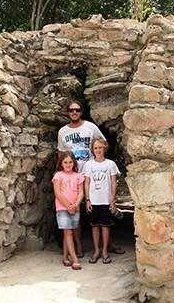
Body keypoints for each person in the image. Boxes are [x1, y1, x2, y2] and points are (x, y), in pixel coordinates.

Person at [57, 99, 125, 256]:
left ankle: (108, 244)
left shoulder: (90, 127)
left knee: (102, 210)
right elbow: (61, 154)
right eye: (71, 110)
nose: (75, 112)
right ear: (67, 112)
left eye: (78, 110)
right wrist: (59, 173)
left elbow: (103, 143)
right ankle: (78, 246)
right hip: (73, 176)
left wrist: (100, 162)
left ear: (82, 111)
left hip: (92, 176)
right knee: (75, 211)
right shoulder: (63, 132)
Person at [84, 136, 120, 264]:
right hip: (94, 200)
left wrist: (113, 199)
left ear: (105, 148)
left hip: (105, 199)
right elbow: (87, 183)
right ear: (92, 150)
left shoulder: (110, 164)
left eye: (100, 147)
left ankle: (105, 250)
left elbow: (113, 182)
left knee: (105, 226)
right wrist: (87, 199)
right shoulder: (88, 165)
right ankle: (96, 250)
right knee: (94, 226)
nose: (98, 150)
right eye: (96, 148)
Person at [52, 151, 84, 270]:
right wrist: (68, 206)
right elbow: (57, 192)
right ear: (61, 164)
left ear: (74, 163)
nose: (68, 164)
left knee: (69, 232)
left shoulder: (78, 176)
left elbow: (81, 192)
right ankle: (75, 259)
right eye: (65, 162)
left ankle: (65, 257)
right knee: (68, 232)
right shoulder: (58, 175)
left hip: (75, 208)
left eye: (70, 162)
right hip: (62, 208)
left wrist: (75, 205)